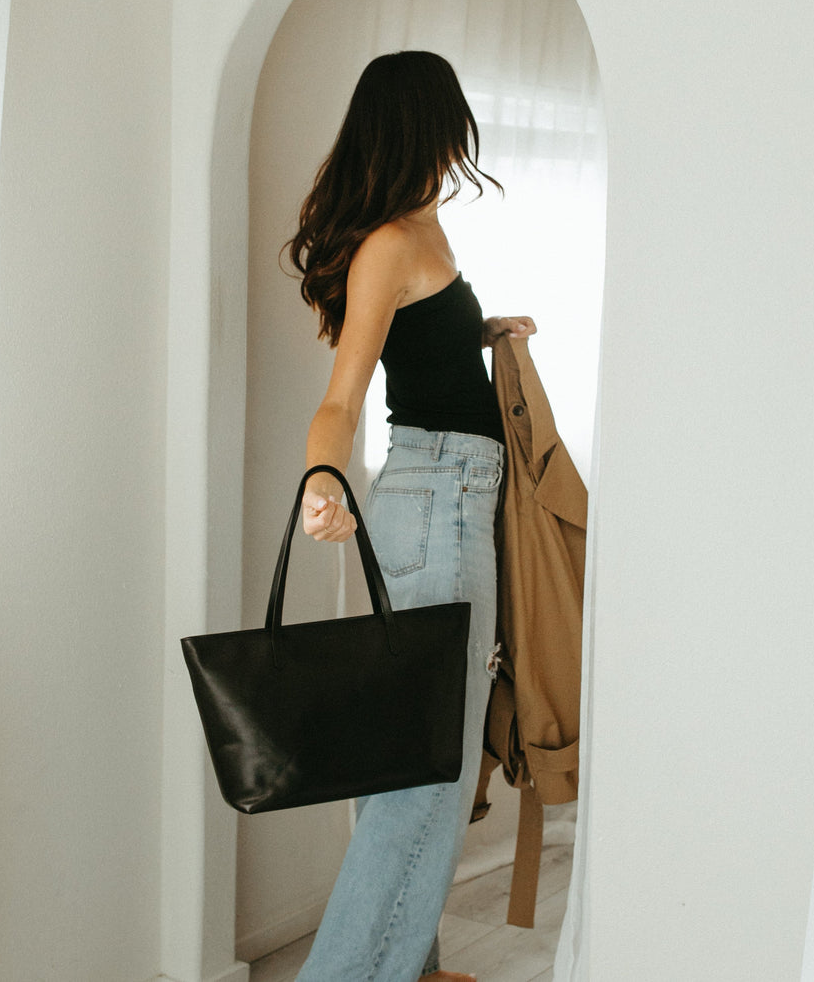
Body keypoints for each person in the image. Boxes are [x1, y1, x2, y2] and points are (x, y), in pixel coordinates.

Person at [285, 50, 536, 982]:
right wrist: (321, 484)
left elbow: (419, 348)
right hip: (438, 503)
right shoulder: (391, 242)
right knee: (428, 771)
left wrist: (480, 333)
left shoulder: (422, 228)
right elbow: (342, 399)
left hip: (441, 500)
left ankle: (415, 968)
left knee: (411, 753)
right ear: (424, 125)